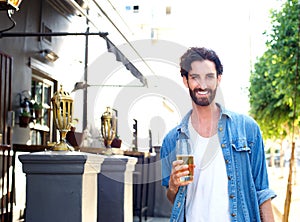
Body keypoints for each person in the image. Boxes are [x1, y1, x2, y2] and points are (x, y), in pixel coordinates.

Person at [160, 47, 276, 221]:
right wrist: (173, 185)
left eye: (209, 76)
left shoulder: (247, 129)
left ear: (218, 79)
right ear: (185, 80)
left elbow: (262, 192)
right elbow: (172, 199)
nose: (203, 85)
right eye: (195, 77)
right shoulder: (172, 140)